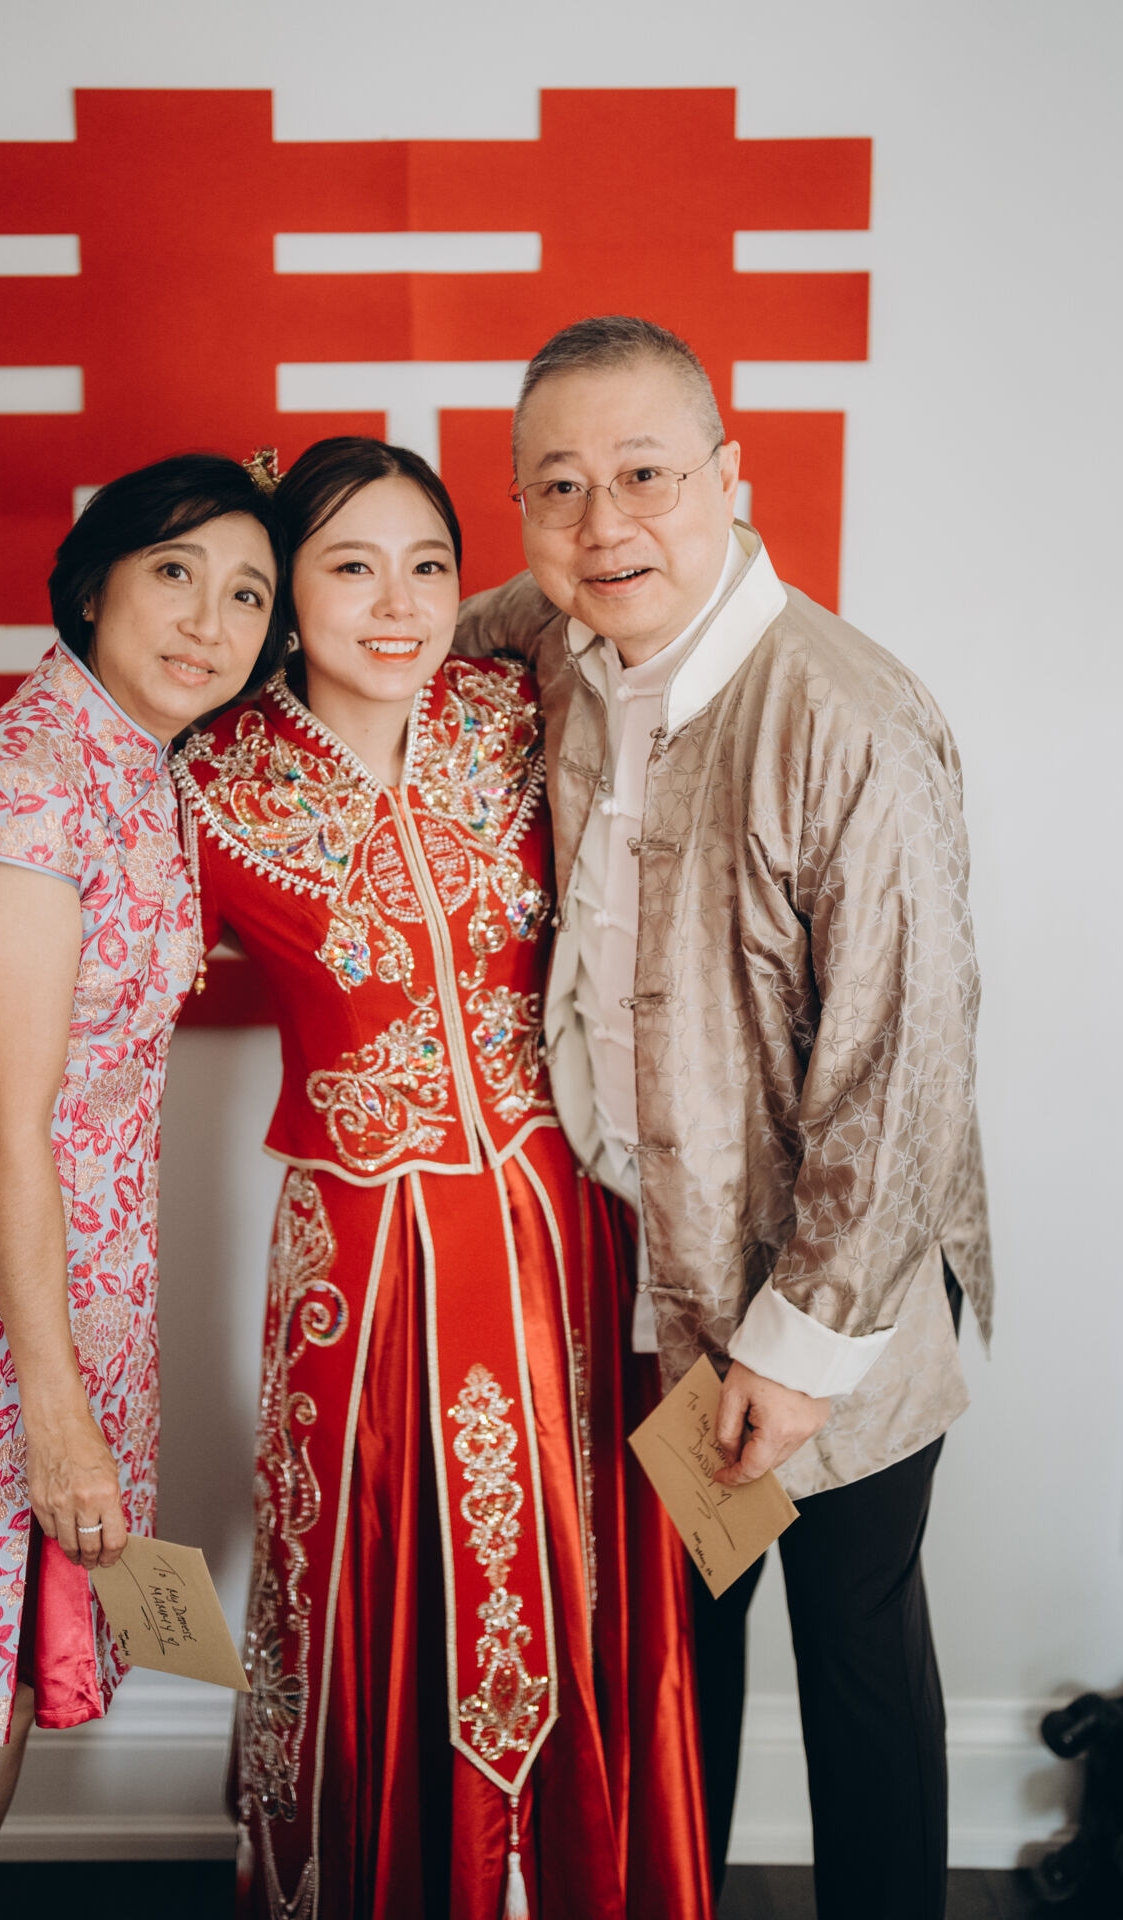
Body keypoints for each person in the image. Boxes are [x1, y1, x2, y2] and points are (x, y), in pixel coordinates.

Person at [454, 315, 995, 1920]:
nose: (604, 523)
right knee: (680, 1659)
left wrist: (798, 1350)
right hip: (656, 1284)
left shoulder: (844, 715)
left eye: (646, 475)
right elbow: (383, 634)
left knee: (856, 1659)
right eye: (558, 488)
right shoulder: (549, 644)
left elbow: (904, 1072)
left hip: (835, 1292)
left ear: (728, 477)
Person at [173, 437, 714, 1920]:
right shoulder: (206, 778)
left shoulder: (518, 712)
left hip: (564, 1229)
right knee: (369, 1563)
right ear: (285, 592)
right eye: (352, 567)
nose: (400, 603)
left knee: (579, 1560)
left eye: (427, 565)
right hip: (361, 1257)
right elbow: (51, 927)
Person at [0, 452, 285, 1920]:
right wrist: (56, 1412)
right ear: (93, 583)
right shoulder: (31, 781)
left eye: (248, 595)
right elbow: (3, 1122)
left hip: (67, 1295)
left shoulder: (142, 769)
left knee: (10, 1679)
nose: (209, 622)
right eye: (175, 573)